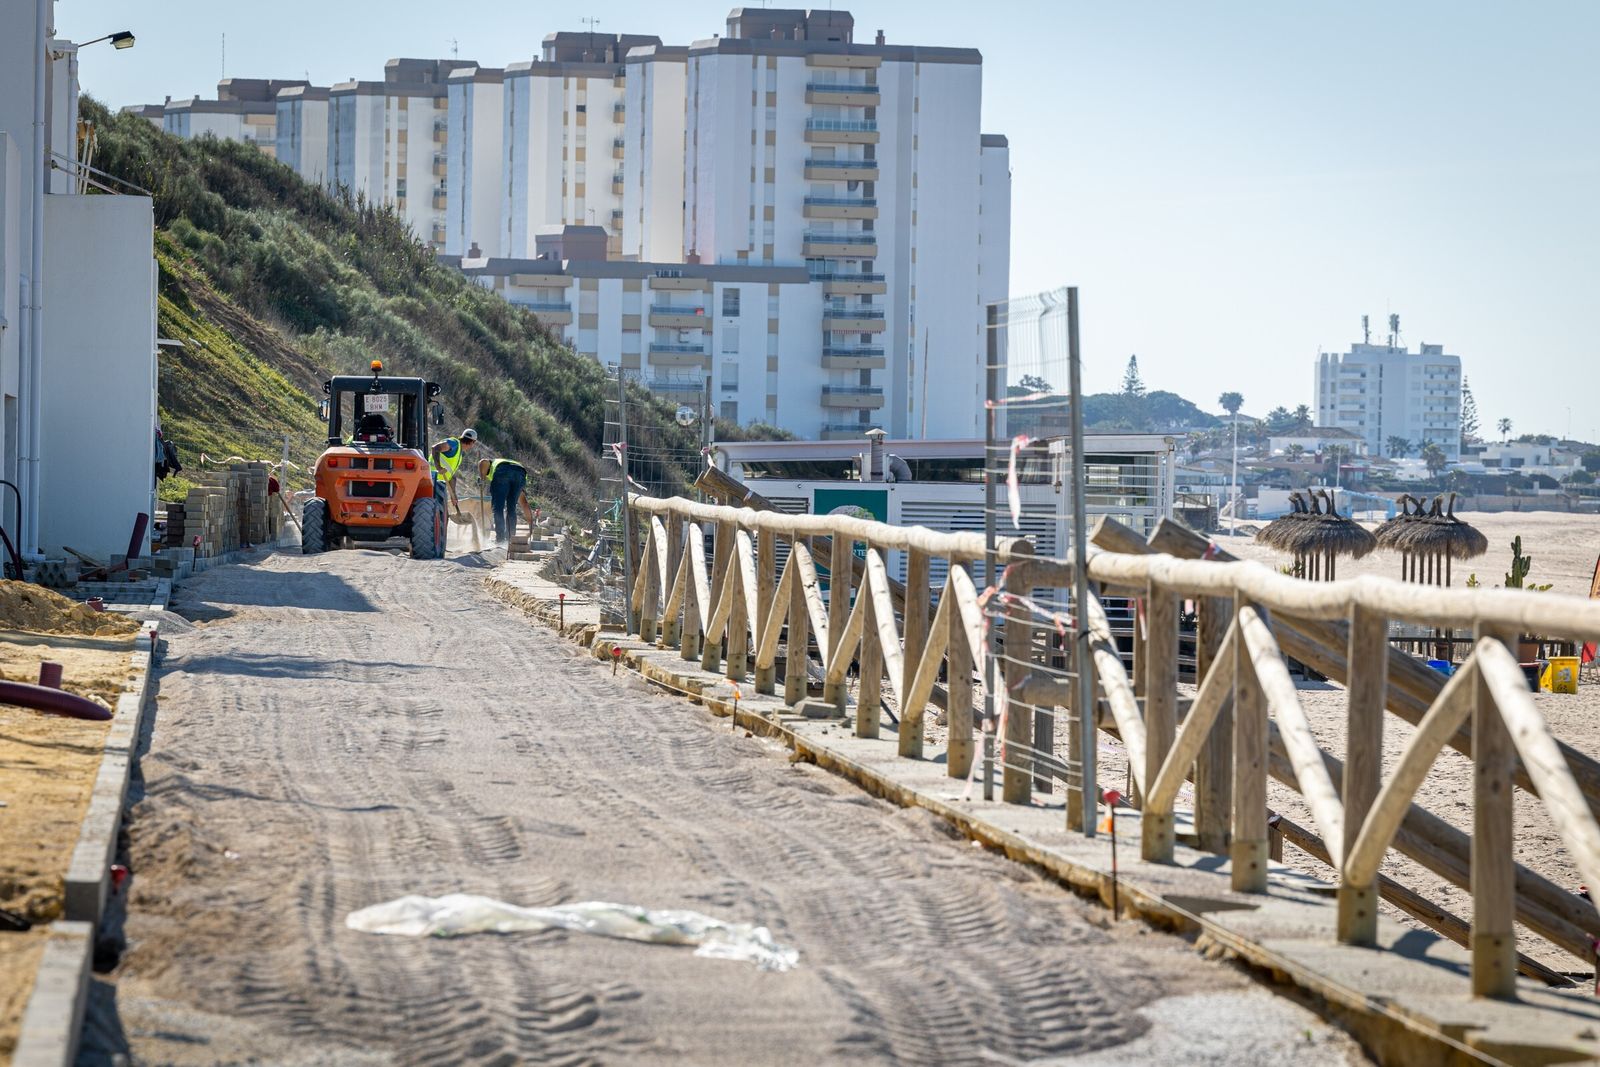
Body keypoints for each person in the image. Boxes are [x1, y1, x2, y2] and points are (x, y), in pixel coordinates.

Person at [477, 457, 535, 544]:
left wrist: (482, 479)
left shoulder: (494, 463)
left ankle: (500, 539)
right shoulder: (516, 473)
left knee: (498, 508)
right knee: (511, 509)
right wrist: (531, 526)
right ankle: (510, 539)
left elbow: (483, 461)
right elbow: (525, 504)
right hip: (521, 474)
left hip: (503, 471)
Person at [430, 427, 478, 514]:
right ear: (472, 442)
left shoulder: (459, 453)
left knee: (441, 513)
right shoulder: (454, 444)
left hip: (440, 484)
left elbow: (451, 475)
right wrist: (438, 467)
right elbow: (435, 448)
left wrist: (453, 494)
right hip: (432, 480)